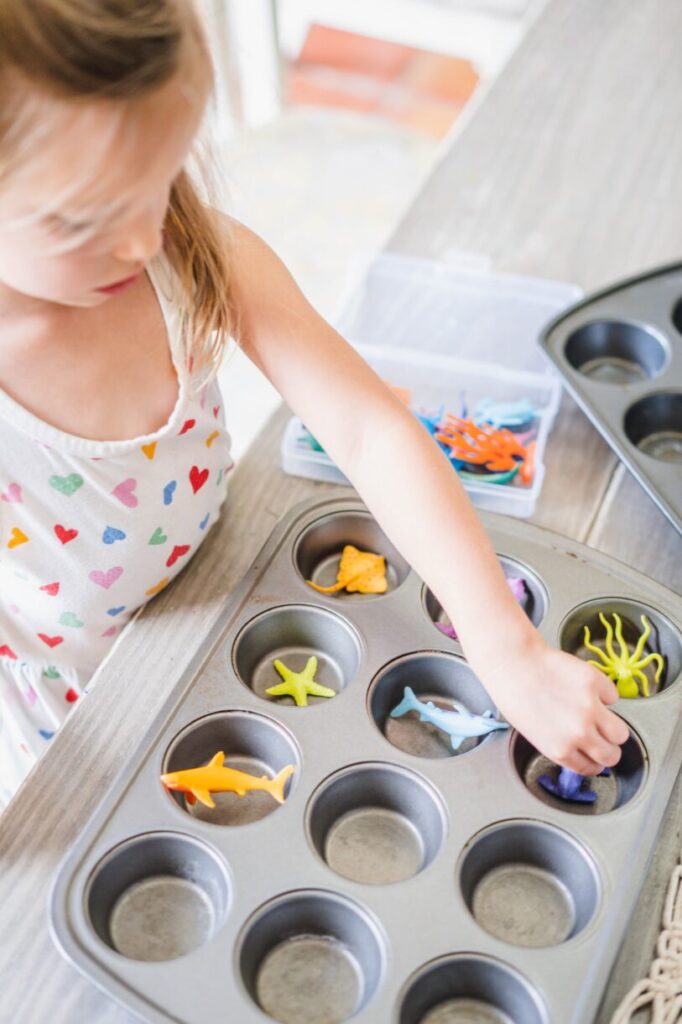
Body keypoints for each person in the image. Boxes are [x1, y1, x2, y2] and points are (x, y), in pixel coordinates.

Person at [0, 0, 628, 809]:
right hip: (74, 722)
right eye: (84, 217)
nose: (140, 240)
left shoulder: (196, 255)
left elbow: (369, 431)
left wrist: (506, 647)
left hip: (221, 603)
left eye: (158, 180)